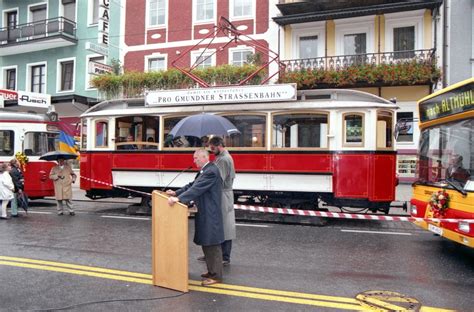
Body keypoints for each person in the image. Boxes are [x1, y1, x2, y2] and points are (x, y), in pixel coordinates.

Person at [166, 149, 224, 286]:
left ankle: (216, 276)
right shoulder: (206, 170)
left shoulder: (211, 171)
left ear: (204, 157)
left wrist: (178, 199)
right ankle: (211, 271)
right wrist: (176, 192)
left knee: (212, 244)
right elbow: (192, 185)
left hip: (210, 213)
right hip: (205, 211)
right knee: (206, 241)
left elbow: (197, 189)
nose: (194, 160)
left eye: (196, 158)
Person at [197, 136, 236, 266]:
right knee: (220, 224)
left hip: (223, 195)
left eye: (213, 148)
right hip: (223, 193)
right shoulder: (221, 157)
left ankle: (224, 257)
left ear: (219, 145)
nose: (211, 151)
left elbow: (218, 179)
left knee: (224, 226)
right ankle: (214, 254)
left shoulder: (224, 159)